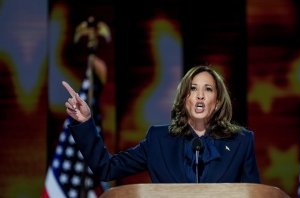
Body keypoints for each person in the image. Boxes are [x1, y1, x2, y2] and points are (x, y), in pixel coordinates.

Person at [63, 65, 260, 183]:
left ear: (217, 103)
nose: (200, 95)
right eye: (193, 89)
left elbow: (255, 193)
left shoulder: (240, 142)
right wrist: (86, 122)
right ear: (185, 99)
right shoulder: (159, 140)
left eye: (208, 89)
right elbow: (106, 168)